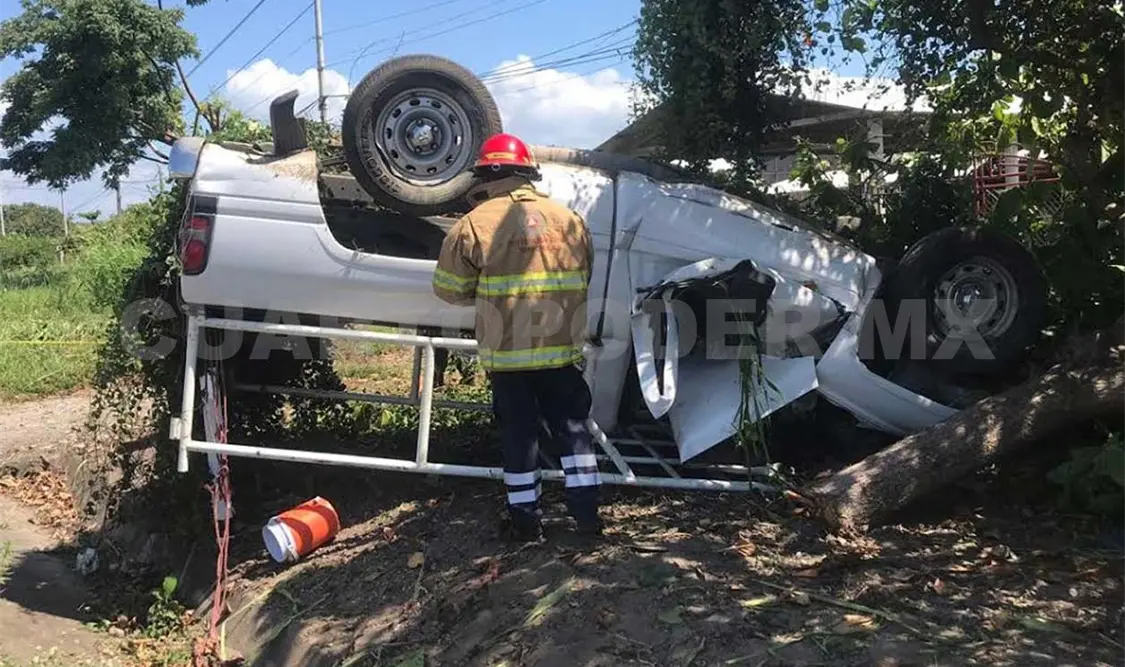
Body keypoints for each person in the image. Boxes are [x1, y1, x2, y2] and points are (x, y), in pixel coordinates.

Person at [430, 132, 603, 541]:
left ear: (487, 174)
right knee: (573, 429)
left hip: (508, 359)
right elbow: (585, 276)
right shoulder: (571, 220)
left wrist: (489, 291)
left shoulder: (474, 224)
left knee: (519, 436)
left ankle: (525, 522)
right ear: (528, 172)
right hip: (561, 355)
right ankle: (588, 518)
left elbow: (448, 289)